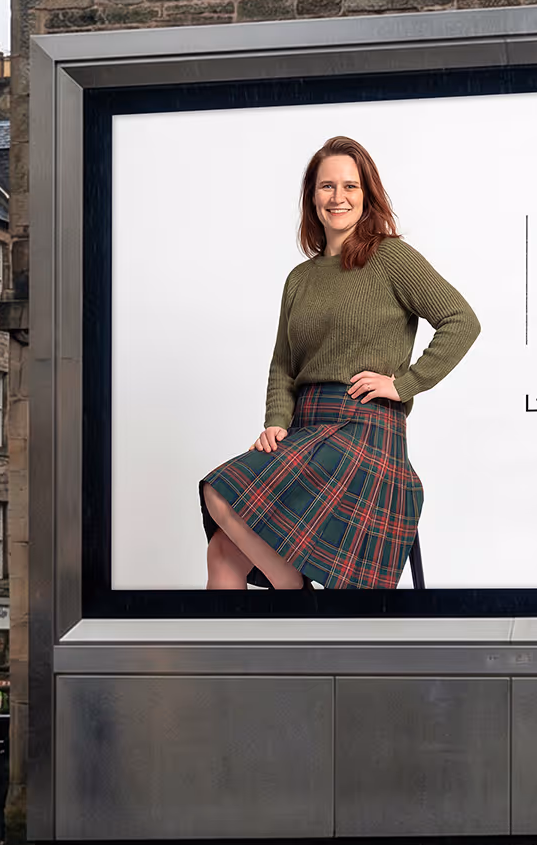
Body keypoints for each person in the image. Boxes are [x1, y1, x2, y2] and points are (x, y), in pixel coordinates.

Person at [198, 136, 481, 591]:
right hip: (306, 430)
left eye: (350, 186)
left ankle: (295, 618)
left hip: (365, 432)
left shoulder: (390, 257)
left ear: (366, 195)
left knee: (219, 490)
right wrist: (275, 422)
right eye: (327, 186)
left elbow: (461, 320)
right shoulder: (300, 278)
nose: (338, 197)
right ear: (312, 196)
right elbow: (283, 364)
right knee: (223, 551)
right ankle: (232, 661)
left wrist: (405, 384)